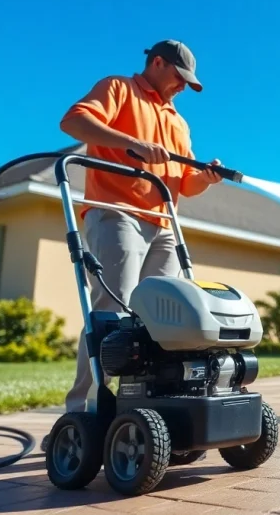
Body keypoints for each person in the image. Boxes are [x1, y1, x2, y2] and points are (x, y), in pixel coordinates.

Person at [44, 40, 224, 454]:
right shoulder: (118, 89)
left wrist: (207, 177)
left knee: (165, 317)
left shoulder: (178, 122)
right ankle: (82, 415)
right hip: (116, 213)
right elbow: (72, 122)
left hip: (163, 224)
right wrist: (132, 143)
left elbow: (185, 183)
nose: (182, 87)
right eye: (179, 77)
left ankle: (150, 406)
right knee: (112, 310)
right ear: (157, 63)